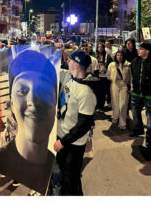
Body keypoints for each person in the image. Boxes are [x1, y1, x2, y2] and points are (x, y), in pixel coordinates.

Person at [0, 49, 58, 195]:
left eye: (42, 91)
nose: (33, 103)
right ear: (11, 104)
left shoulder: (55, 164)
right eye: (22, 91)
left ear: (55, 106)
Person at [54, 49, 97, 195]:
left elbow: (84, 124)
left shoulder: (86, 92)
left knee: (69, 181)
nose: (68, 61)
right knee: (70, 178)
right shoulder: (69, 77)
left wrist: (63, 141)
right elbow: (49, 66)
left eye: (70, 60)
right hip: (62, 137)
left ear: (77, 64)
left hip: (73, 144)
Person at [130, 42, 151, 148]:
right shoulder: (135, 61)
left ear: (147, 51)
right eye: (139, 48)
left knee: (150, 117)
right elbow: (133, 75)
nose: (138, 50)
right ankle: (139, 128)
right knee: (135, 111)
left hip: (150, 95)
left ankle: (149, 137)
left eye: (141, 49)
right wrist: (132, 86)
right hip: (136, 93)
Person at [107, 51, 132, 130]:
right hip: (115, 84)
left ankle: (122, 123)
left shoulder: (128, 65)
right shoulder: (112, 64)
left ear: (123, 56)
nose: (119, 57)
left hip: (124, 85)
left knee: (123, 104)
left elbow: (132, 77)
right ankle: (115, 117)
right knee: (115, 103)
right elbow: (108, 75)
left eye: (121, 55)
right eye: (118, 55)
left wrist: (132, 87)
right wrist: (112, 77)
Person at [95, 42, 113, 112]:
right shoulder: (95, 55)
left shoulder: (107, 56)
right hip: (97, 76)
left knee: (103, 92)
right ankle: (97, 106)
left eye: (101, 47)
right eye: (98, 47)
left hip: (105, 77)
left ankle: (101, 107)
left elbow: (111, 65)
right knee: (97, 92)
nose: (100, 48)